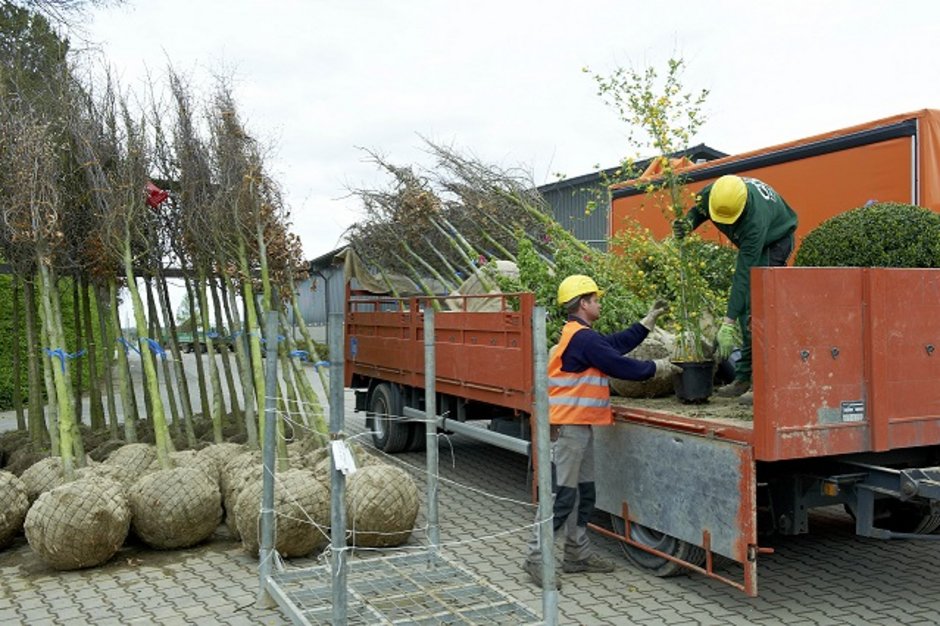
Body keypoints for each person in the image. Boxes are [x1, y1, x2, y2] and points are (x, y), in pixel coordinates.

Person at [523, 274, 681, 589]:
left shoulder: (582, 336)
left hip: (579, 427)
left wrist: (646, 323)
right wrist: (659, 367)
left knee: (584, 493)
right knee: (562, 496)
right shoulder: (581, 339)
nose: (599, 304)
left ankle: (577, 555)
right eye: (595, 300)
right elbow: (618, 364)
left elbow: (614, 344)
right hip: (569, 429)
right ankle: (537, 558)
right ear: (583, 303)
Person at [673, 175, 798, 404]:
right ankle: (742, 378)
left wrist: (727, 323)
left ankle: (762, 383)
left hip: (775, 242)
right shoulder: (712, 194)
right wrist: (688, 224)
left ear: (743, 208)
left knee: (757, 309)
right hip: (758, 239)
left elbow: (743, 275)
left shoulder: (755, 222)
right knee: (745, 309)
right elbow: (697, 212)